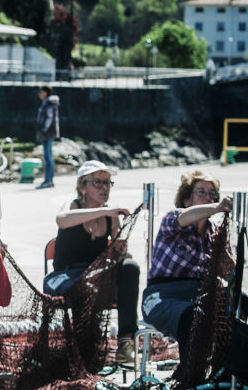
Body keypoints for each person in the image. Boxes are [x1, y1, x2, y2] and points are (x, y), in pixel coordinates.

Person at [43, 160, 140, 365]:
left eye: (107, 182)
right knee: (87, 287)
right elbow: (62, 219)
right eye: (97, 182)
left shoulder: (111, 217)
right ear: (81, 185)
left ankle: (125, 340)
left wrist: (120, 249)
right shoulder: (73, 205)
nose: (103, 187)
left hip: (95, 275)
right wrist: (105, 211)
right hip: (65, 276)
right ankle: (82, 350)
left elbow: (118, 254)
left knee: (130, 267)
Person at [141, 169, 232, 352]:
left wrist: (224, 253)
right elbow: (184, 217)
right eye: (201, 192)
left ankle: (224, 370)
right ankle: (188, 374)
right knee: (193, 314)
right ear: (187, 199)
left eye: (212, 194)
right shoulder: (173, 219)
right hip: (163, 296)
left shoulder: (215, 233)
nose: (208, 197)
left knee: (237, 300)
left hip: (199, 294)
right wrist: (217, 208)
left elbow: (230, 271)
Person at [35, 85, 60, 189]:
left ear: (45, 93)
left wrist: (44, 129)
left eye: (41, 92)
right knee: (47, 157)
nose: (39, 94)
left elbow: (49, 119)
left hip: (48, 134)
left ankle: (48, 180)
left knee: (48, 157)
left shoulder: (49, 104)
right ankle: (48, 180)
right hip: (47, 133)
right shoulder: (47, 103)